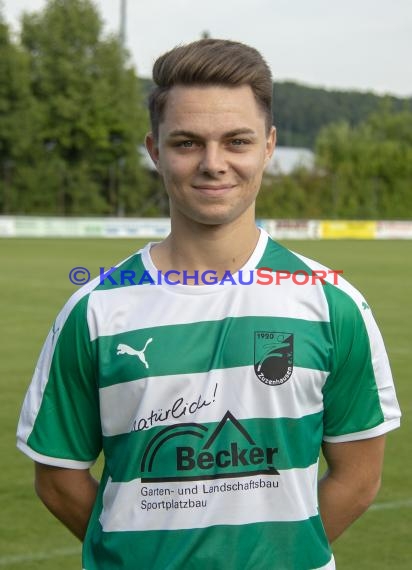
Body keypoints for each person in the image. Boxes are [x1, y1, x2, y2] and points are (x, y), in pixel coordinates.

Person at [17, 39, 401, 570]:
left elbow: (359, 478)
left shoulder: (332, 303)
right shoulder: (96, 310)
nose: (213, 164)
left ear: (268, 146)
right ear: (155, 150)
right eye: (187, 142)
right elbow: (58, 478)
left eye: (237, 141)